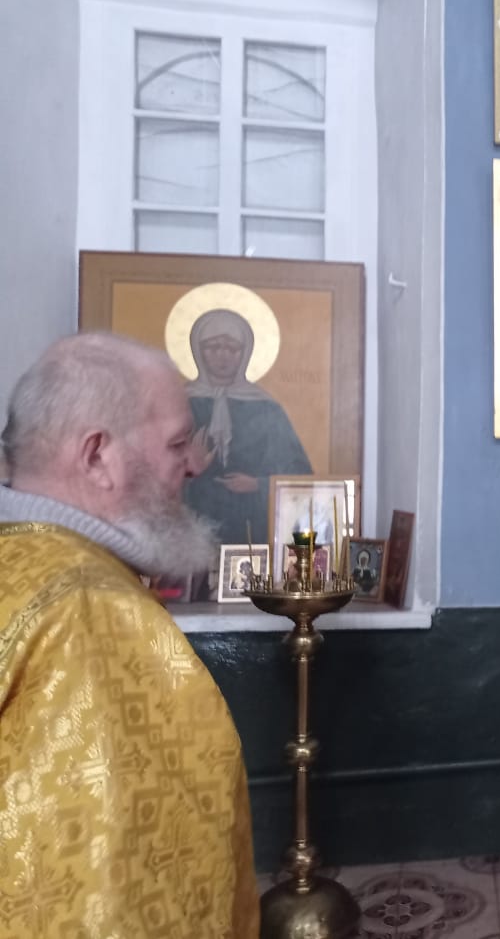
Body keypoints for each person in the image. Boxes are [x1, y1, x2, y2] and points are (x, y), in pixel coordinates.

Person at [0, 333, 258, 936]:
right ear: (97, 457)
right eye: (176, 444)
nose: (194, 465)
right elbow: (115, 897)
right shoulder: (95, 615)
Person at [184, 308, 312, 549]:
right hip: (191, 527)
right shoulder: (180, 404)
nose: (223, 355)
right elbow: (149, 474)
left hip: (251, 526)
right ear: (198, 351)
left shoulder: (266, 408)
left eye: (232, 348)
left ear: (245, 353)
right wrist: (189, 467)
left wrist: (259, 484)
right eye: (213, 347)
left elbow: (299, 475)